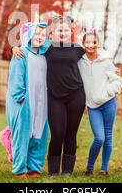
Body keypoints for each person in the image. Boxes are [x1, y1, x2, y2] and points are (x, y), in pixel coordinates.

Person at [12, 15, 86, 176]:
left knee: (71, 134)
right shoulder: (47, 48)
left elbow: (95, 57)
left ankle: (67, 171)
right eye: (59, 30)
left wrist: (112, 71)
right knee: (58, 133)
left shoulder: (78, 49)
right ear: (52, 32)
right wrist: (14, 47)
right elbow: (30, 44)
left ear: (71, 31)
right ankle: (53, 171)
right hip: (54, 97)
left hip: (76, 95)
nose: (62, 33)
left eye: (66, 30)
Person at [4, 21, 51, 178]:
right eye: (37, 33)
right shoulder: (21, 53)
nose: (40, 37)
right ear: (29, 35)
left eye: (43, 35)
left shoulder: (45, 56)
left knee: (38, 135)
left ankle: (34, 168)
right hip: (24, 103)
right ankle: (19, 169)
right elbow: (16, 79)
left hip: (41, 103)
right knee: (22, 136)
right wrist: (21, 98)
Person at [77, 28, 122, 176]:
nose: (91, 45)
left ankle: (104, 169)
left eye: (94, 42)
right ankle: (89, 168)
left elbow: (117, 81)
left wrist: (109, 92)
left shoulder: (106, 61)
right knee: (99, 138)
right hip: (93, 107)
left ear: (98, 43)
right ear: (83, 44)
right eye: (88, 42)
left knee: (108, 136)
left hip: (109, 104)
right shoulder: (79, 63)